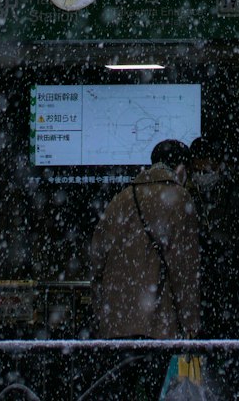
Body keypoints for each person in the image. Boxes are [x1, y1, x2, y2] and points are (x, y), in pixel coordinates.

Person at [88, 138, 200, 401]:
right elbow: (184, 268)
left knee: (120, 392)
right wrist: (191, 322)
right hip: (157, 321)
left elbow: (96, 258)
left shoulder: (122, 198)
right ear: (180, 168)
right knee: (152, 390)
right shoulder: (179, 198)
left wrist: (101, 309)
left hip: (117, 321)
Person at [188, 137, 239, 394]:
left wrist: (217, 248)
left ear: (219, 165)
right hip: (205, 298)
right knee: (204, 370)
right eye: (197, 168)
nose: (202, 173)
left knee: (232, 368)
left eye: (207, 167)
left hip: (231, 295)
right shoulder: (189, 198)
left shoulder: (237, 196)